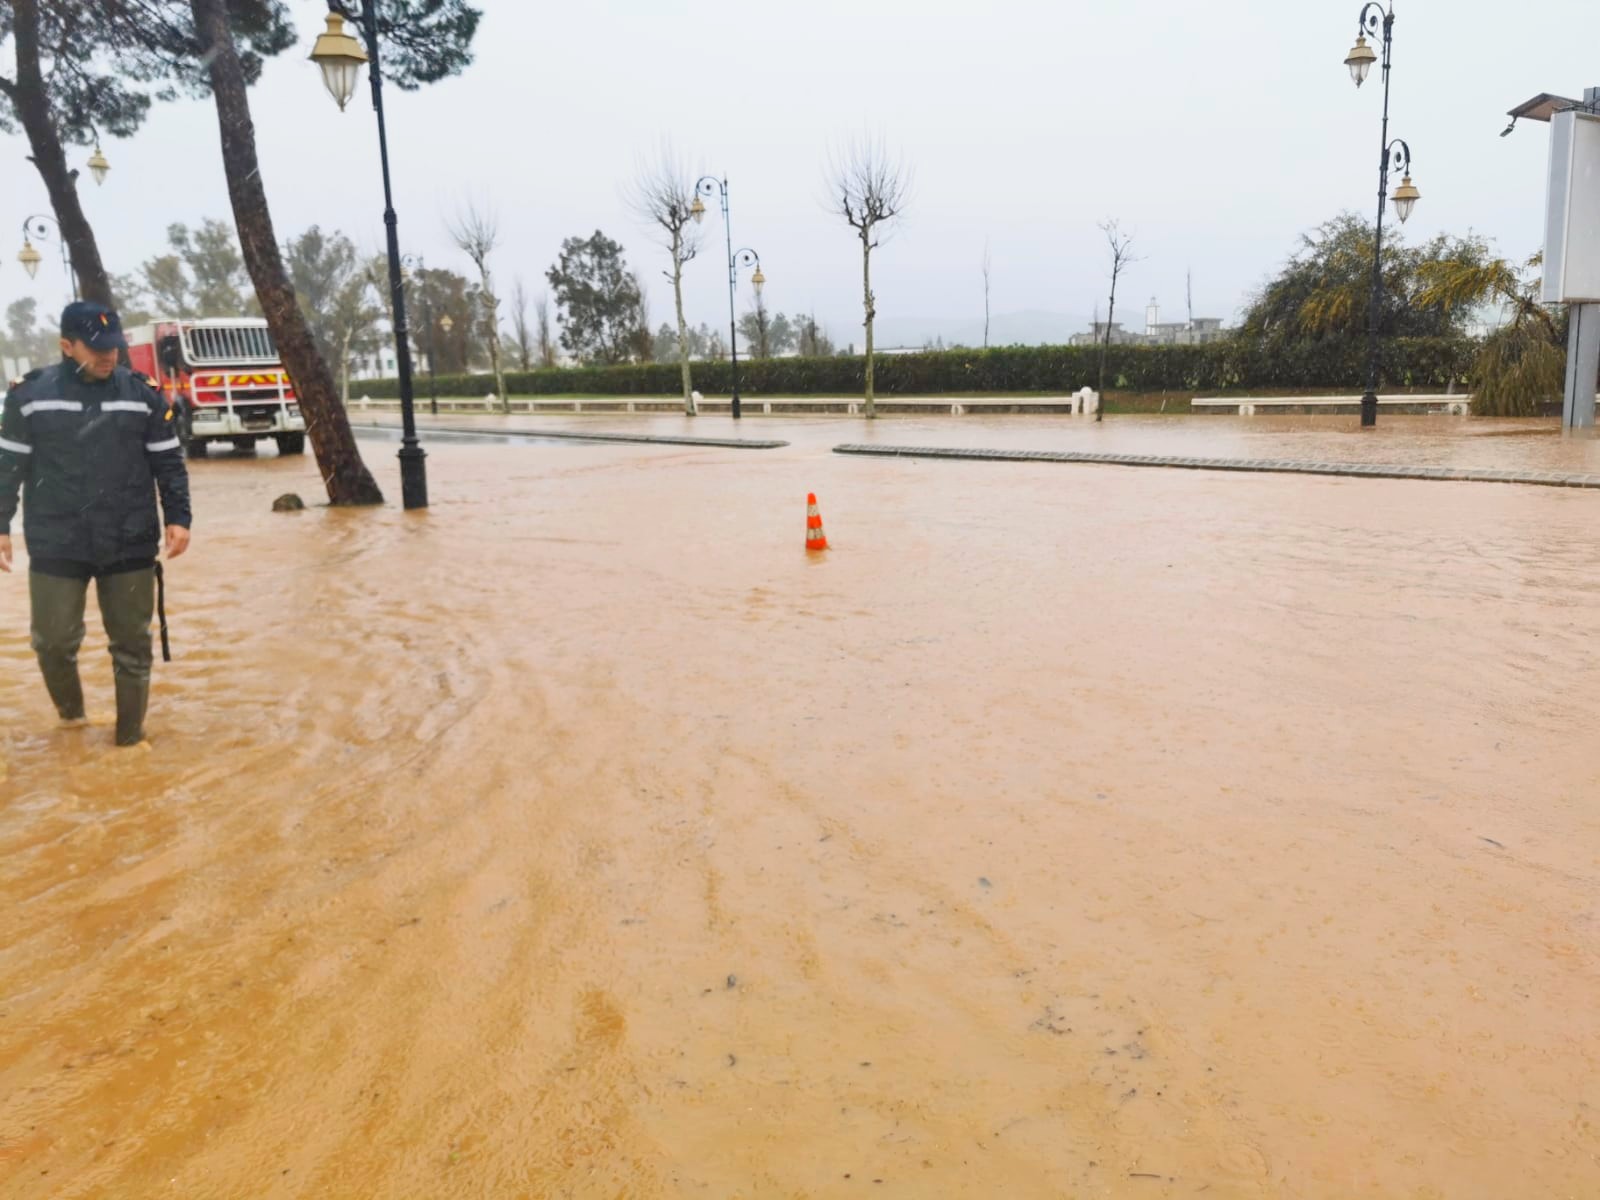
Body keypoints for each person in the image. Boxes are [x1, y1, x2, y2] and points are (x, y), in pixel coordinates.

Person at [0, 301, 192, 747]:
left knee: (132, 646)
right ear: (67, 346)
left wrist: (179, 517)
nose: (109, 356)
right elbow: (8, 467)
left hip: (128, 540)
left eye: (115, 346)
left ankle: (129, 742)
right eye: (97, 347)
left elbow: (169, 462)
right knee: (52, 643)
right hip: (56, 541)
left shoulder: (142, 392)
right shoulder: (29, 397)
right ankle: (73, 719)